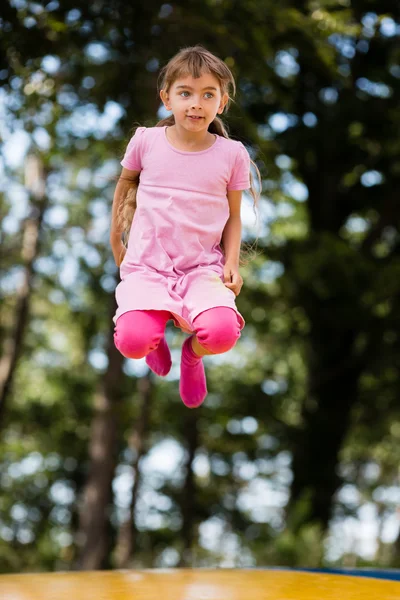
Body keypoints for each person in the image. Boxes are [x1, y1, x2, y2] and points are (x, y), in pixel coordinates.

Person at [110, 45, 260, 409]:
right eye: (185, 93)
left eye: (208, 94)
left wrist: (232, 262)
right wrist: (117, 243)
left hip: (201, 267)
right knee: (132, 342)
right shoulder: (146, 141)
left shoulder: (232, 154)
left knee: (223, 332)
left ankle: (190, 356)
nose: (196, 103)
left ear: (221, 103)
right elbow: (124, 186)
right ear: (167, 98)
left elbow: (235, 215)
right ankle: (155, 333)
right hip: (148, 266)